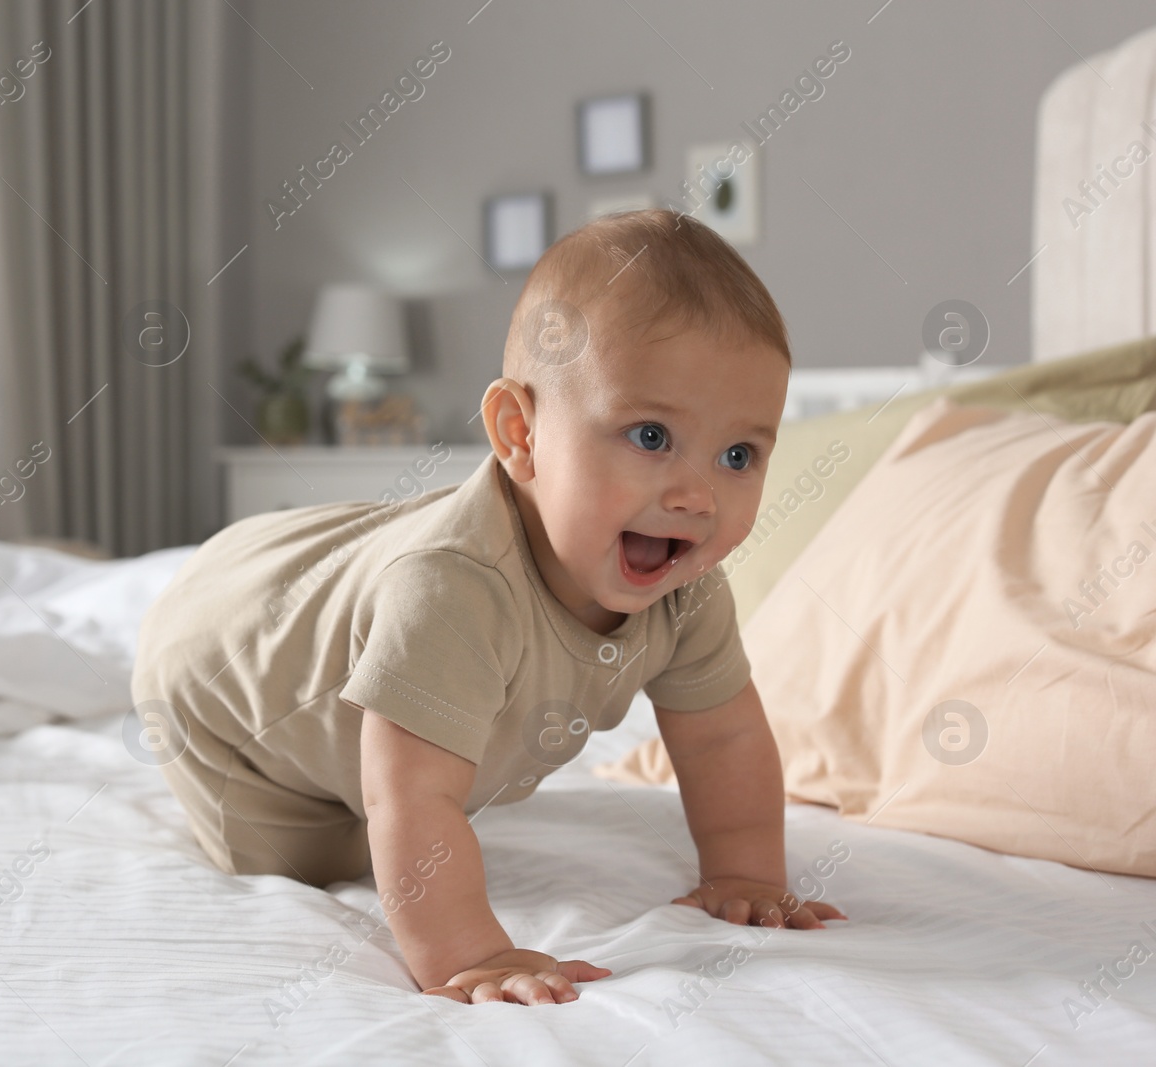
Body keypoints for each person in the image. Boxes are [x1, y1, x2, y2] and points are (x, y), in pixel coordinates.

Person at [130, 209, 844, 1007]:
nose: (695, 495)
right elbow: (411, 799)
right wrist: (472, 952)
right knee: (323, 856)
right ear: (519, 433)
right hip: (227, 688)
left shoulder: (688, 588)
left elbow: (725, 735)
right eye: (649, 435)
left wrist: (746, 873)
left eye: (738, 455)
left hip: (352, 596)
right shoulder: (456, 590)